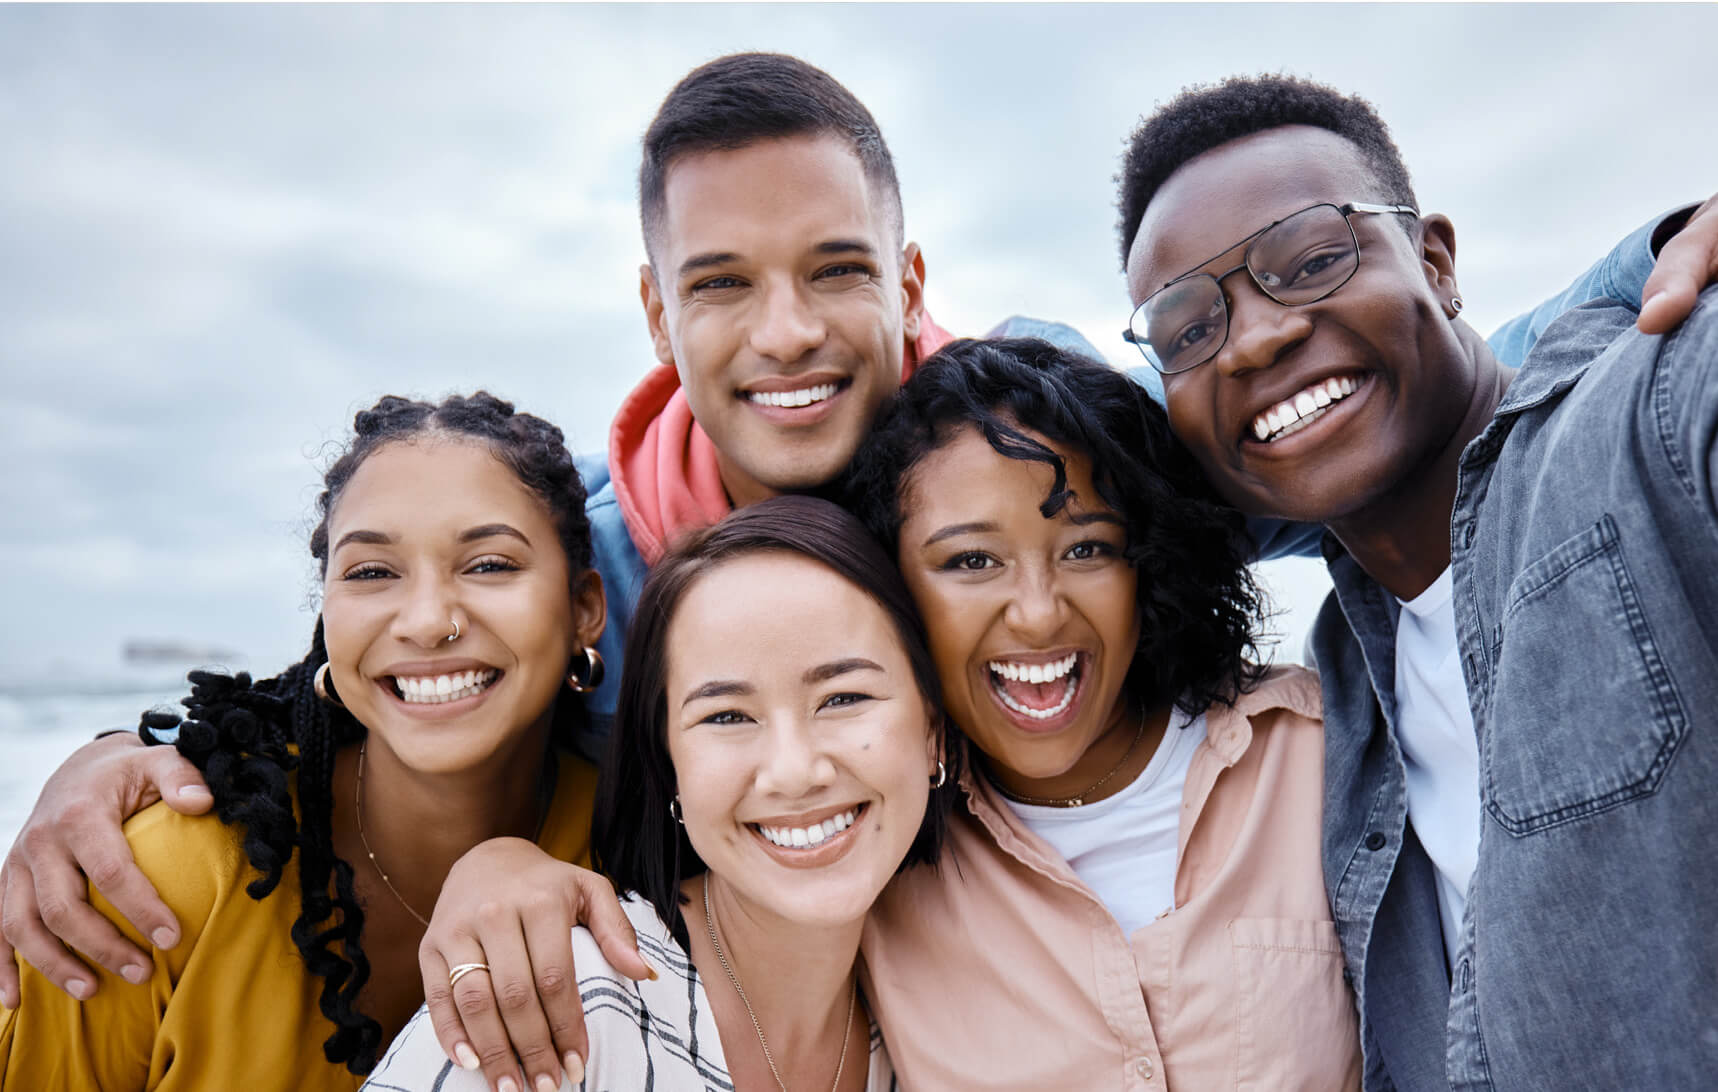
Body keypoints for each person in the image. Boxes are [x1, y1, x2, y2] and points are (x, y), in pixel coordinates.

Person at [6, 49, 1718, 1091]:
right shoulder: (603, 555)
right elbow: (417, 664)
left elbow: (1324, 406)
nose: (786, 334)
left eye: (832, 270)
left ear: (906, 277)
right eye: (722, 286)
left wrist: (1645, 270)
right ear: (654, 308)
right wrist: (126, 756)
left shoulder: (1065, 420)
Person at [391, 337, 1362, 1090]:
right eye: (969, 560)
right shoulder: (883, 857)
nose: (1031, 610)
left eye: (1085, 548)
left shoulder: (1325, 758)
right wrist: (494, 865)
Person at [1117, 74, 1718, 1088]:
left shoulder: (1647, 414)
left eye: (1308, 262)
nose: (1255, 337)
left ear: (1434, 264)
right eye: (1187, 331)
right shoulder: (1335, 712)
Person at [0, 392, 608, 1089]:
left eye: (489, 565)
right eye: (372, 572)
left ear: (584, 608)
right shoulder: (145, 883)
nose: (427, 620)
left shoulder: (635, 856)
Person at [365, 495, 952, 1091]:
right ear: (670, 765)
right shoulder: (562, 1004)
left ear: (933, 729)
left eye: (844, 699)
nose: (793, 771)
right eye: (726, 716)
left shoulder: (935, 1022)